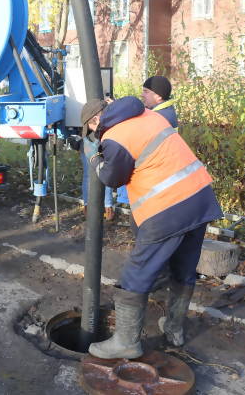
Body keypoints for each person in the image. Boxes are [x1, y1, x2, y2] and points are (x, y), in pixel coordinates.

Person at [82, 96, 222, 359]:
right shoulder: (150, 115)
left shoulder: (116, 136)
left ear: (96, 121)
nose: (93, 134)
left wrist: (94, 157)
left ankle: (126, 342)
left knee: (136, 273)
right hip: (200, 198)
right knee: (184, 266)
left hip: (168, 208)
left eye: (90, 130)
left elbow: (112, 178)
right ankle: (174, 329)